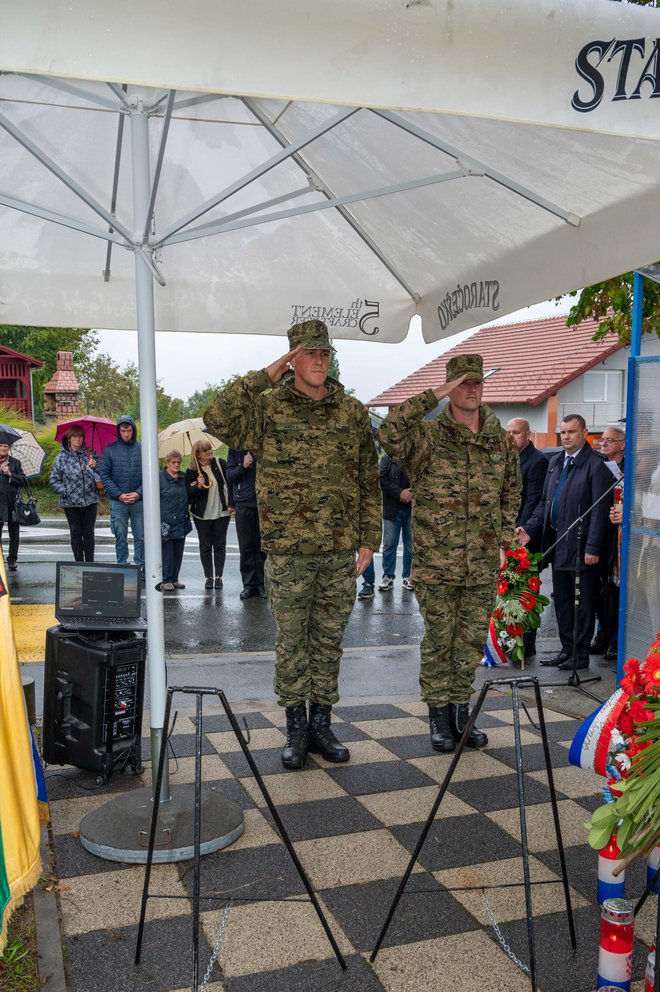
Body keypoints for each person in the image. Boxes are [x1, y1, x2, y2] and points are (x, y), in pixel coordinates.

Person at [205, 319, 381, 770]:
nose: (319, 360)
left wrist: (369, 538)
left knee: (328, 642)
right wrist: (265, 376)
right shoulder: (268, 409)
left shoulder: (351, 411)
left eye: (325, 353)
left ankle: (321, 724)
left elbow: (367, 477)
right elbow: (216, 418)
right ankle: (295, 728)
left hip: (339, 548)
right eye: (309, 353)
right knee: (291, 644)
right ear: (292, 359)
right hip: (287, 552)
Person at [379, 354, 520, 753]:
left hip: (480, 562)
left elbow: (512, 490)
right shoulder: (427, 437)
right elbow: (389, 432)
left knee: (470, 643)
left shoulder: (499, 440)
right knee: (440, 641)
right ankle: (438, 719)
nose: (472, 389)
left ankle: (463, 715)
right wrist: (433, 394)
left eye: (476, 382)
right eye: (462, 382)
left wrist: (503, 539)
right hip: (436, 562)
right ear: (449, 387)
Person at [517, 414, 614, 671]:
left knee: (581, 603)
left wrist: (592, 547)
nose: (566, 437)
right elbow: (545, 503)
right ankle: (566, 648)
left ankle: (580, 654)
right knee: (561, 600)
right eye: (563, 432)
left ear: (584, 433)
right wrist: (529, 529)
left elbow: (599, 510)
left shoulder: (596, 465)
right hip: (557, 542)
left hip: (582, 547)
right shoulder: (556, 462)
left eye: (572, 431)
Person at [505, 418, 549, 659]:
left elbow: (534, 501)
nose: (512, 436)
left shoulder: (538, 461)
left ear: (528, 435)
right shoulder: (508, 458)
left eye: (516, 432)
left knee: (526, 591)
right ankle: (511, 638)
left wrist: (519, 530)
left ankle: (527, 643)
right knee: (509, 591)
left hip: (525, 538)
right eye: (508, 432)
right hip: (508, 536)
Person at [591, 425, 626, 661]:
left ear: (622, 445)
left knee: (616, 593)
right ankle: (602, 634)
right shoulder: (598, 466)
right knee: (600, 591)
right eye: (601, 441)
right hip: (601, 535)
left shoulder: (631, 467)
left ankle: (615, 640)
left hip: (621, 540)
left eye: (609, 441)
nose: (603, 445)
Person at [49, 425, 102, 561]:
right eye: (75, 436)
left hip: (90, 500)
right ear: (69, 438)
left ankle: (90, 563)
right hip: (71, 503)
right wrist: (65, 491)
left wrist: (95, 467)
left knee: (89, 533)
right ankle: (79, 562)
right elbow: (54, 479)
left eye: (80, 436)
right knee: (76, 533)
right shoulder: (62, 457)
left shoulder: (90, 454)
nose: (78, 439)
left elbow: (102, 476)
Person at [98, 416, 144, 571]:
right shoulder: (109, 450)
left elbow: (151, 475)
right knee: (120, 536)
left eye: (129, 430)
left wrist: (138, 493)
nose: (126, 434)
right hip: (118, 502)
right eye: (123, 431)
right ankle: (122, 565)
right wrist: (119, 495)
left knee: (141, 537)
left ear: (133, 430)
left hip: (139, 501)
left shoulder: (143, 449)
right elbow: (104, 475)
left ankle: (141, 566)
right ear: (118, 431)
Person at [186, 440, 231, 589]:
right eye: (205, 451)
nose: (209, 453)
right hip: (202, 515)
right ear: (198, 454)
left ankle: (218, 577)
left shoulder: (220, 463)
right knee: (205, 546)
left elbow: (229, 484)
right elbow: (190, 496)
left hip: (221, 512)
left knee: (220, 545)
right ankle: (208, 577)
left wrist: (232, 504)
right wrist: (198, 486)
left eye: (210, 450)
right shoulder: (192, 471)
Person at [226, 448, 266, 599]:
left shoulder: (262, 446)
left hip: (262, 504)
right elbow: (230, 476)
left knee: (262, 547)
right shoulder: (235, 450)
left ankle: (262, 584)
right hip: (243, 504)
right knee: (246, 547)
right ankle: (248, 585)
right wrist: (243, 466)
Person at [377, 453, 414, 592]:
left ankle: (408, 576)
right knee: (389, 544)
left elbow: (422, 478)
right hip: (392, 509)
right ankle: (388, 576)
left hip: (411, 509)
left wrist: (410, 494)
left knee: (410, 545)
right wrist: (400, 493)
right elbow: (382, 481)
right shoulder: (387, 458)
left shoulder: (413, 455)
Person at [158, 450, 191, 591]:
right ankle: (166, 579)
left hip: (181, 519)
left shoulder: (184, 477)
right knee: (167, 552)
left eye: (179, 462)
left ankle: (175, 578)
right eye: (173, 462)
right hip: (166, 521)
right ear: (167, 463)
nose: (176, 465)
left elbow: (192, 493)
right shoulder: (159, 478)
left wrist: (199, 486)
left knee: (178, 551)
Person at [0, 443, 26, 571]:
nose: (3, 449)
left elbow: (23, 480)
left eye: (5, 446)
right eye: (0, 446)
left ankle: (12, 560)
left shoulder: (15, 462)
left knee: (14, 534)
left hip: (13, 502)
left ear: (9, 447)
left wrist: (10, 473)